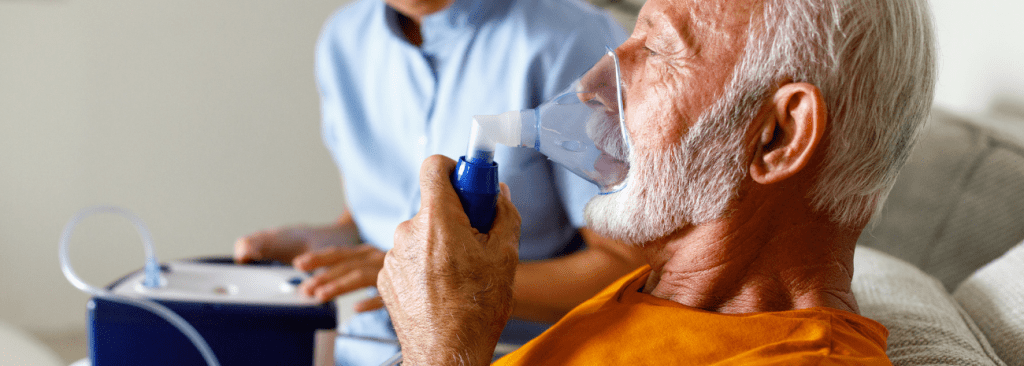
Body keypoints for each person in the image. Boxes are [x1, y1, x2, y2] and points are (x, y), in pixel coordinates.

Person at [377, 0, 937, 364]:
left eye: (657, 50)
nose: (594, 86)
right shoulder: (652, 294)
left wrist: (442, 346)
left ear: (778, 137)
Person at [233, 0, 642, 364]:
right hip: (367, 350)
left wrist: (459, 287)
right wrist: (324, 242)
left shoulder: (569, 37)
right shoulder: (344, 39)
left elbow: (630, 265)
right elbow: (373, 219)